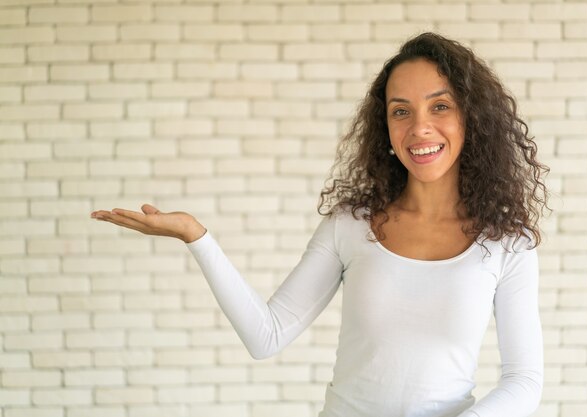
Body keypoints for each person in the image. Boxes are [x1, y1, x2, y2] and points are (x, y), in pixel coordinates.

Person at [91, 32, 549, 417]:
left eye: (440, 106)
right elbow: (265, 335)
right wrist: (197, 237)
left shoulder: (507, 244)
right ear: (386, 127)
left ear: (472, 118)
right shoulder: (352, 225)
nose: (420, 128)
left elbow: (524, 381)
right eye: (401, 110)